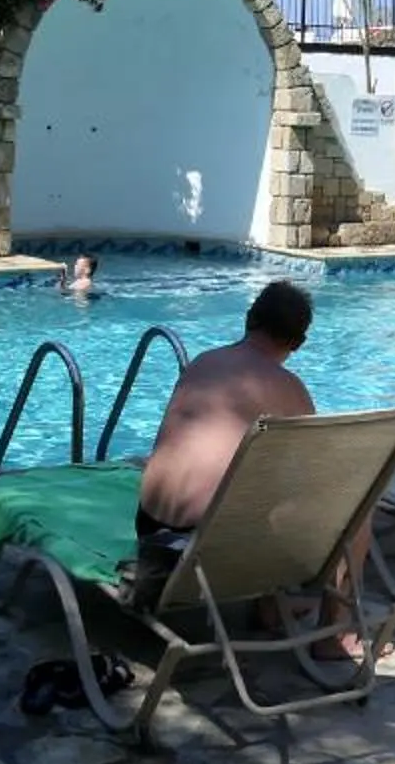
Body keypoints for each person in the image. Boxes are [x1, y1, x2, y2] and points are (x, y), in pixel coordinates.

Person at [132, 281, 369, 658]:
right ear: (298, 343)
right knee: (352, 506)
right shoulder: (289, 388)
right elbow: (320, 476)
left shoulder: (204, 362)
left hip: (151, 530)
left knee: (253, 487)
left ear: (249, 319)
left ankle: (270, 606)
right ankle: (332, 635)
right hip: (209, 549)